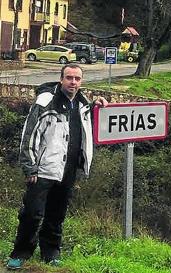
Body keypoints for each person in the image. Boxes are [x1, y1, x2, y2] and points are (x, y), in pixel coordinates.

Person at [6, 64, 108, 270]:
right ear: (61, 79)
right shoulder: (46, 102)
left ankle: (51, 253)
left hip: (68, 170)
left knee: (56, 214)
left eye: (77, 78)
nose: (73, 82)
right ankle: (20, 254)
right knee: (32, 214)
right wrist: (29, 167)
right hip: (43, 169)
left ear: (81, 81)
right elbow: (29, 135)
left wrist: (96, 104)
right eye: (69, 78)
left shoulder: (81, 104)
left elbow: (84, 128)